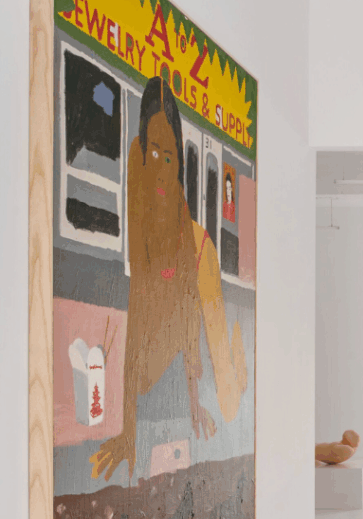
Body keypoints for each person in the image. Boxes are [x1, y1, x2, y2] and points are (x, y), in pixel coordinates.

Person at [90, 77, 248, 482]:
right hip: (154, 369)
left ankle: (237, 369)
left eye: (170, 157)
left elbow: (188, 321)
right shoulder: (141, 213)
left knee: (228, 403)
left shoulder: (193, 243)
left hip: (195, 282)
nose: (161, 169)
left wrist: (194, 403)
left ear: (180, 162)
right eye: (154, 153)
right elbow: (137, 315)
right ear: (143, 153)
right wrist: (128, 431)